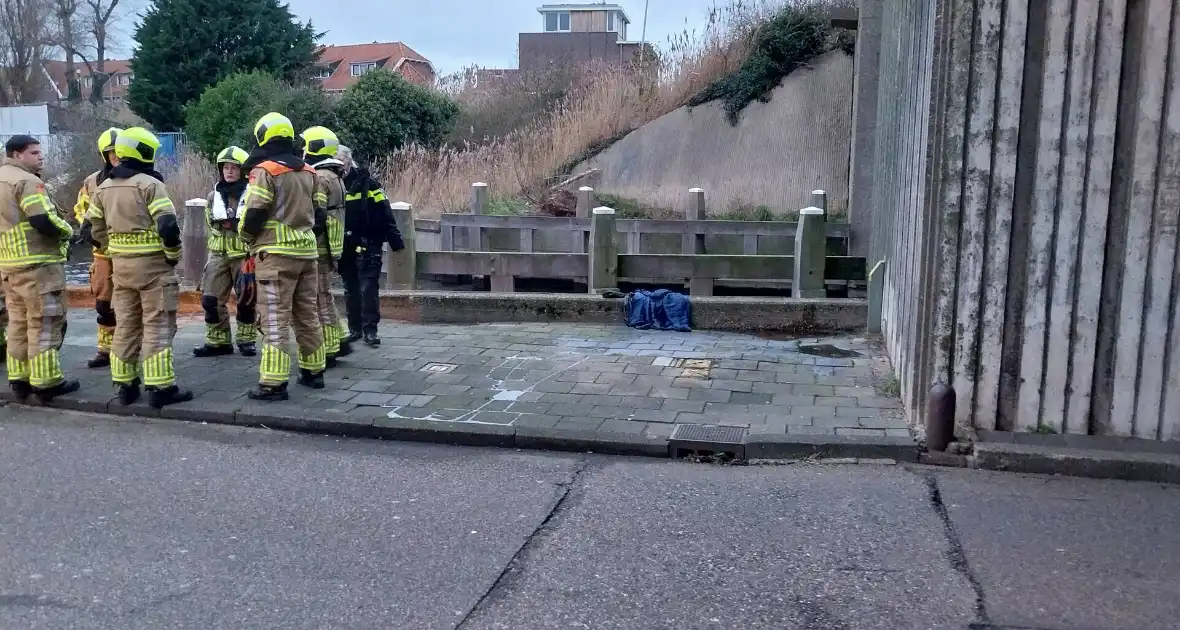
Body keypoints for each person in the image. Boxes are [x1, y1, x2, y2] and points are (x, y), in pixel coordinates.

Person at [86, 127, 193, 408]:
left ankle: (125, 386)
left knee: (126, 326)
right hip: (154, 269)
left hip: (121, 269)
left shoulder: (103, 187)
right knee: (158, 325)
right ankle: (160, 388)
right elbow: (168, 225)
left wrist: (113, 250)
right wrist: (173, 255)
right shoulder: (149, 184)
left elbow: (91, 229)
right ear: (144, 153)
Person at [238, 112, 326, 401]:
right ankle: (314, 372)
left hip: (275, 254)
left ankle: (273, 384)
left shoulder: (264, 170)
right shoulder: (310, 171)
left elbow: (254, 212)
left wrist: (246, 239)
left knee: (275, 318)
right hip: (307, 254)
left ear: (262, 136)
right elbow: (321, 216)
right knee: (307, 314)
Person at [0, 135, 78, 402]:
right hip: (38, 264)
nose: (40, 157)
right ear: (17, 155)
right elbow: (42, 220)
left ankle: (19, 379)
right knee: (45, 323)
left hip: (8, 265)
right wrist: (68, 230)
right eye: (34, 153)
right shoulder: (28, 182)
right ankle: (46, 382)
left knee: (17, 324)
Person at [192, 146, 258, 358]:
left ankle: (246, 341)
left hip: (243, 254)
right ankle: (218, 342)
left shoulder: (252, 194)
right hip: (219, 254)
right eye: (226, 168)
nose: (229, 172)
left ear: (243, 171)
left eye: (234, 168)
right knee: (210, 300)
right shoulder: (213, 196)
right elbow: (209, 222)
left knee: (246, 300)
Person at [337, 145, 404, 347]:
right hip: (345, 245)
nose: (340, 167)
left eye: (343, 162)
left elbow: (385, 213)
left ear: (350, 161)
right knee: (351, 289)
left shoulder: (368, 184)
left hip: (368, 244)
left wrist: (395, 240)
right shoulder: (332, 183)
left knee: (368, 288)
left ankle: (370, 331)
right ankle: (354, 328)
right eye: (336, 163)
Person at [300, 126, 351, 367]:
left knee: (320, 296)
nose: (302, 150)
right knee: (325, 295)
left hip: (321, 246)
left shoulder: (320, 177)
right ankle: (340, 337)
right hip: (332, 244)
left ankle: (330, 347)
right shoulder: (334, 175)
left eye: (306, 145)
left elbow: (317, 214)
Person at [73, 126, 123, 368]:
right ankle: (105, 349)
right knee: (104, 304)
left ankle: (129, 348)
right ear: (104, 155)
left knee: (131, 304)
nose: (116, 156)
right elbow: (81, 208)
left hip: (128, 253)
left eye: (119, 151)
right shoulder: (92, 182)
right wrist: (88, 228)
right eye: (111, 152)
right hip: (102, 253)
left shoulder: (136, 178)